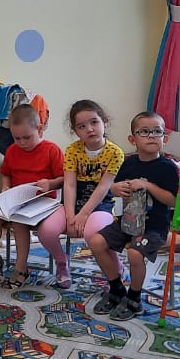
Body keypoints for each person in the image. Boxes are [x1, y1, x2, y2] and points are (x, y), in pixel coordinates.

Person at [89, 112, 179, 320]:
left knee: (135, 254)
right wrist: (115, 189)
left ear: (164, 138)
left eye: (157, 132)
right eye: (144, 132)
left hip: (154, 227)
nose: (151, 136)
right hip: (127, 222)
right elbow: (114, 188)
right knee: (96, 242)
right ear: (132, 139)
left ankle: (134, 299)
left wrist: (148, 186)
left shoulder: (168, 167)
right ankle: (117, 289)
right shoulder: (128, 163)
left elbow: (173, 201)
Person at [0, 104, 65, 290]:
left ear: (40, 129)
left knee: (19, 222)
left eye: (27, 137)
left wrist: (51, 183)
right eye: (17, 138)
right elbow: (6, 173)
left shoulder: (51, 150)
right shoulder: (12, 150)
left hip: (44, 202)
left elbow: (64, 178)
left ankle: (21, 268)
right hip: (17, 201)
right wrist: (5, 186)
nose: (21, 142)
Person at [61, 100, 124, 290]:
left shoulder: (115, 153)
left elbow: (103, 187)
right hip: (75, 200)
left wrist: (83, 214)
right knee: (47, 229)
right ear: (75, 131)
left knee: (93, 233)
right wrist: (70, 216)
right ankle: (61, 265)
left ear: (105, 122)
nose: (89, 129)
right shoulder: (72, 150)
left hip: (101, 202)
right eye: (82, 126)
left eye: (94, 122)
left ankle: (116, 269)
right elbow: (69, 184)